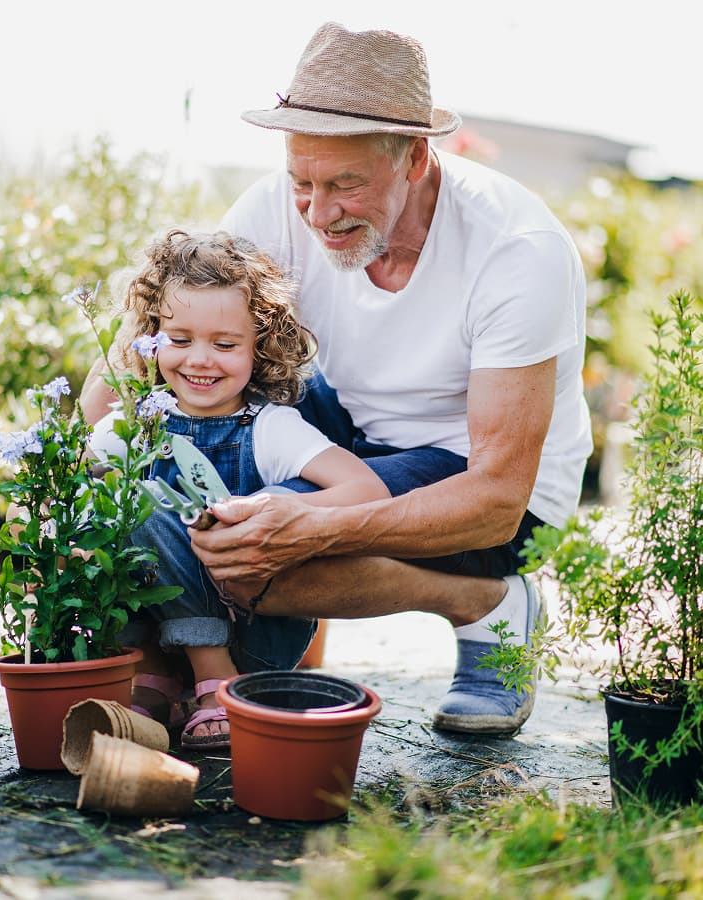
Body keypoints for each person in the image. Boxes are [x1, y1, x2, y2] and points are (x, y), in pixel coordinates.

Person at [82, 22, 592, 737]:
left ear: (415, 157)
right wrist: (91, 454)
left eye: (346, 185)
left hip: (479, 482)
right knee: (204, 517)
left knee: (256, 555)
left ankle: (486, 604)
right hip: (349, 433)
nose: (319, 213)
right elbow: (147, 348)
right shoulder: (276, 206)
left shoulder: (515, 250)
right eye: (303, 182)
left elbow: (498, 500)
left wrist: (314, 526)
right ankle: (172, 671)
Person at [88, 228, 390, 749]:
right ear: (153, 337)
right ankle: (156, 677)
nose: (200, 360)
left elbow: (367, 489)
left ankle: (216, 678)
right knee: (105, 511)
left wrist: (276, 506)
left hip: (254, 637)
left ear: (260, 346)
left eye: (225, 345)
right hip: (158, 639)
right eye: (179, 340)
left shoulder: (269, 427)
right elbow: (70, 479)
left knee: (147, 508)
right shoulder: (135, 423)